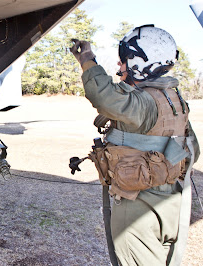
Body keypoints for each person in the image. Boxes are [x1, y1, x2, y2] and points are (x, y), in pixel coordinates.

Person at [70, 25, 200, 265]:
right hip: (170, 202)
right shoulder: (174, 99)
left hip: (139, 205)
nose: (120, 68)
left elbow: (103, 96)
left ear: (140, 63)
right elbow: (193, 149)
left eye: (123, 62)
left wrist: (87, 59)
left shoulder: (144, 103)